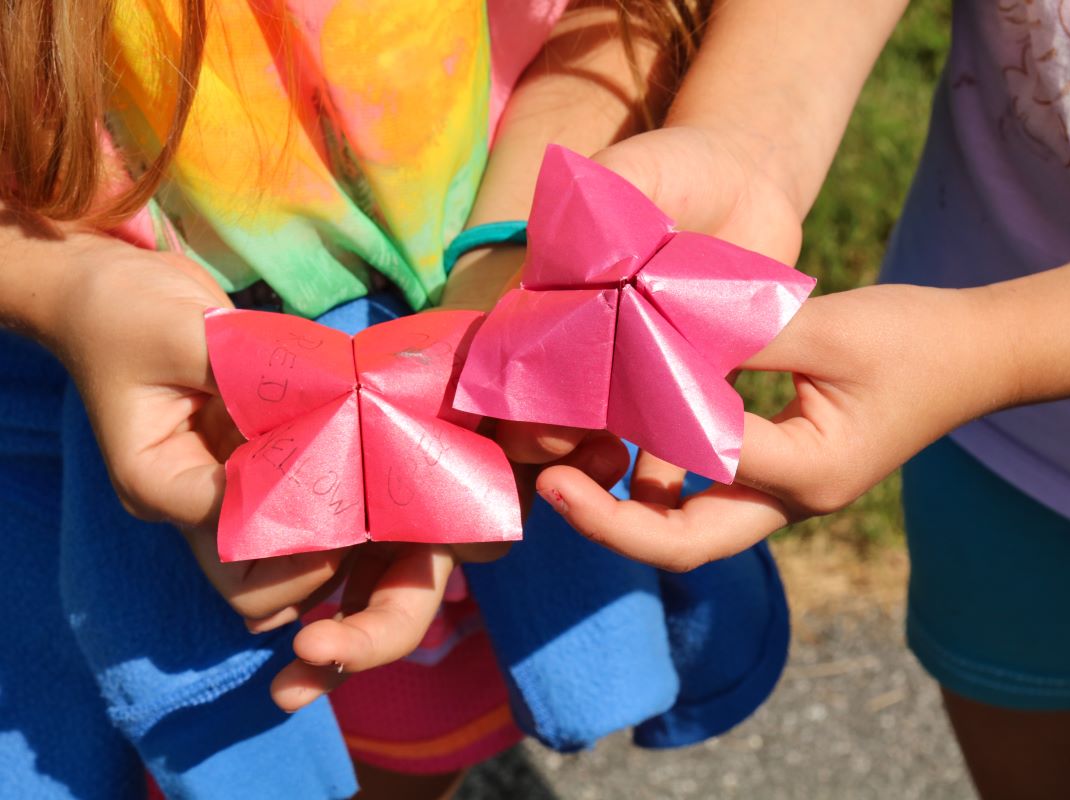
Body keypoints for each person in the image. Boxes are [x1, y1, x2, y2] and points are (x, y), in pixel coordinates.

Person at [0, 1, 793, 797]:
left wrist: (517, 244)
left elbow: (619, 21)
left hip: (485, 313)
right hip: (96, 373)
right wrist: (59, 287)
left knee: (401, 727)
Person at [516, 1, 1070, 798]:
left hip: (975, 370)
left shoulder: (979, 354)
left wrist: (995, 349)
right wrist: (744, 139)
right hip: (999, 449)